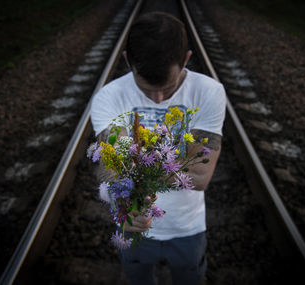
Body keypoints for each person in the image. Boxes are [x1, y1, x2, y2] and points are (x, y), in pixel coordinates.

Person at [90, 12, 226, 285]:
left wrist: (132, 170)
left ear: (186, 60)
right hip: (132, 227)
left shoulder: (208, 91)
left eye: (168, 87)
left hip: (187, 229)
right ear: (128, 60)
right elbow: (110, 171)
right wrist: (123, 202)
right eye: (147, 88)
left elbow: (199, 178)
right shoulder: (108, 97)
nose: (158, 98)